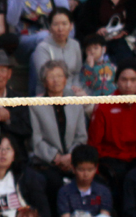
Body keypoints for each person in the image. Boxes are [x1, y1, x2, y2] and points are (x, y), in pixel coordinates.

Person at [87, 60, 136, 206]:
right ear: (116, 81)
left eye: (133, 80)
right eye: (124, 79)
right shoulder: (104, 106)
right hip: (111, 158)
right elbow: (94, 143)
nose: (128, 85)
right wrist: (95, 169)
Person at [30, 60, 89, 209]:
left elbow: (81, 137)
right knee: (53, 182)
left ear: (65, 79)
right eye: (51, 76)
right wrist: (56, 158)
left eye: (59, 76)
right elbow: (36, 139)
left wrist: (70, 157)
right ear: (44, 81)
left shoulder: (75, 103)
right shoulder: (35, 105)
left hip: (73, 160)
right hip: (47, 162)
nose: (56, 80)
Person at [0, 134, 50, 217]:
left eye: (8, 148)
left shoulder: (27, 176)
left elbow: (42, 208)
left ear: (14, 155)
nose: (3, 153)